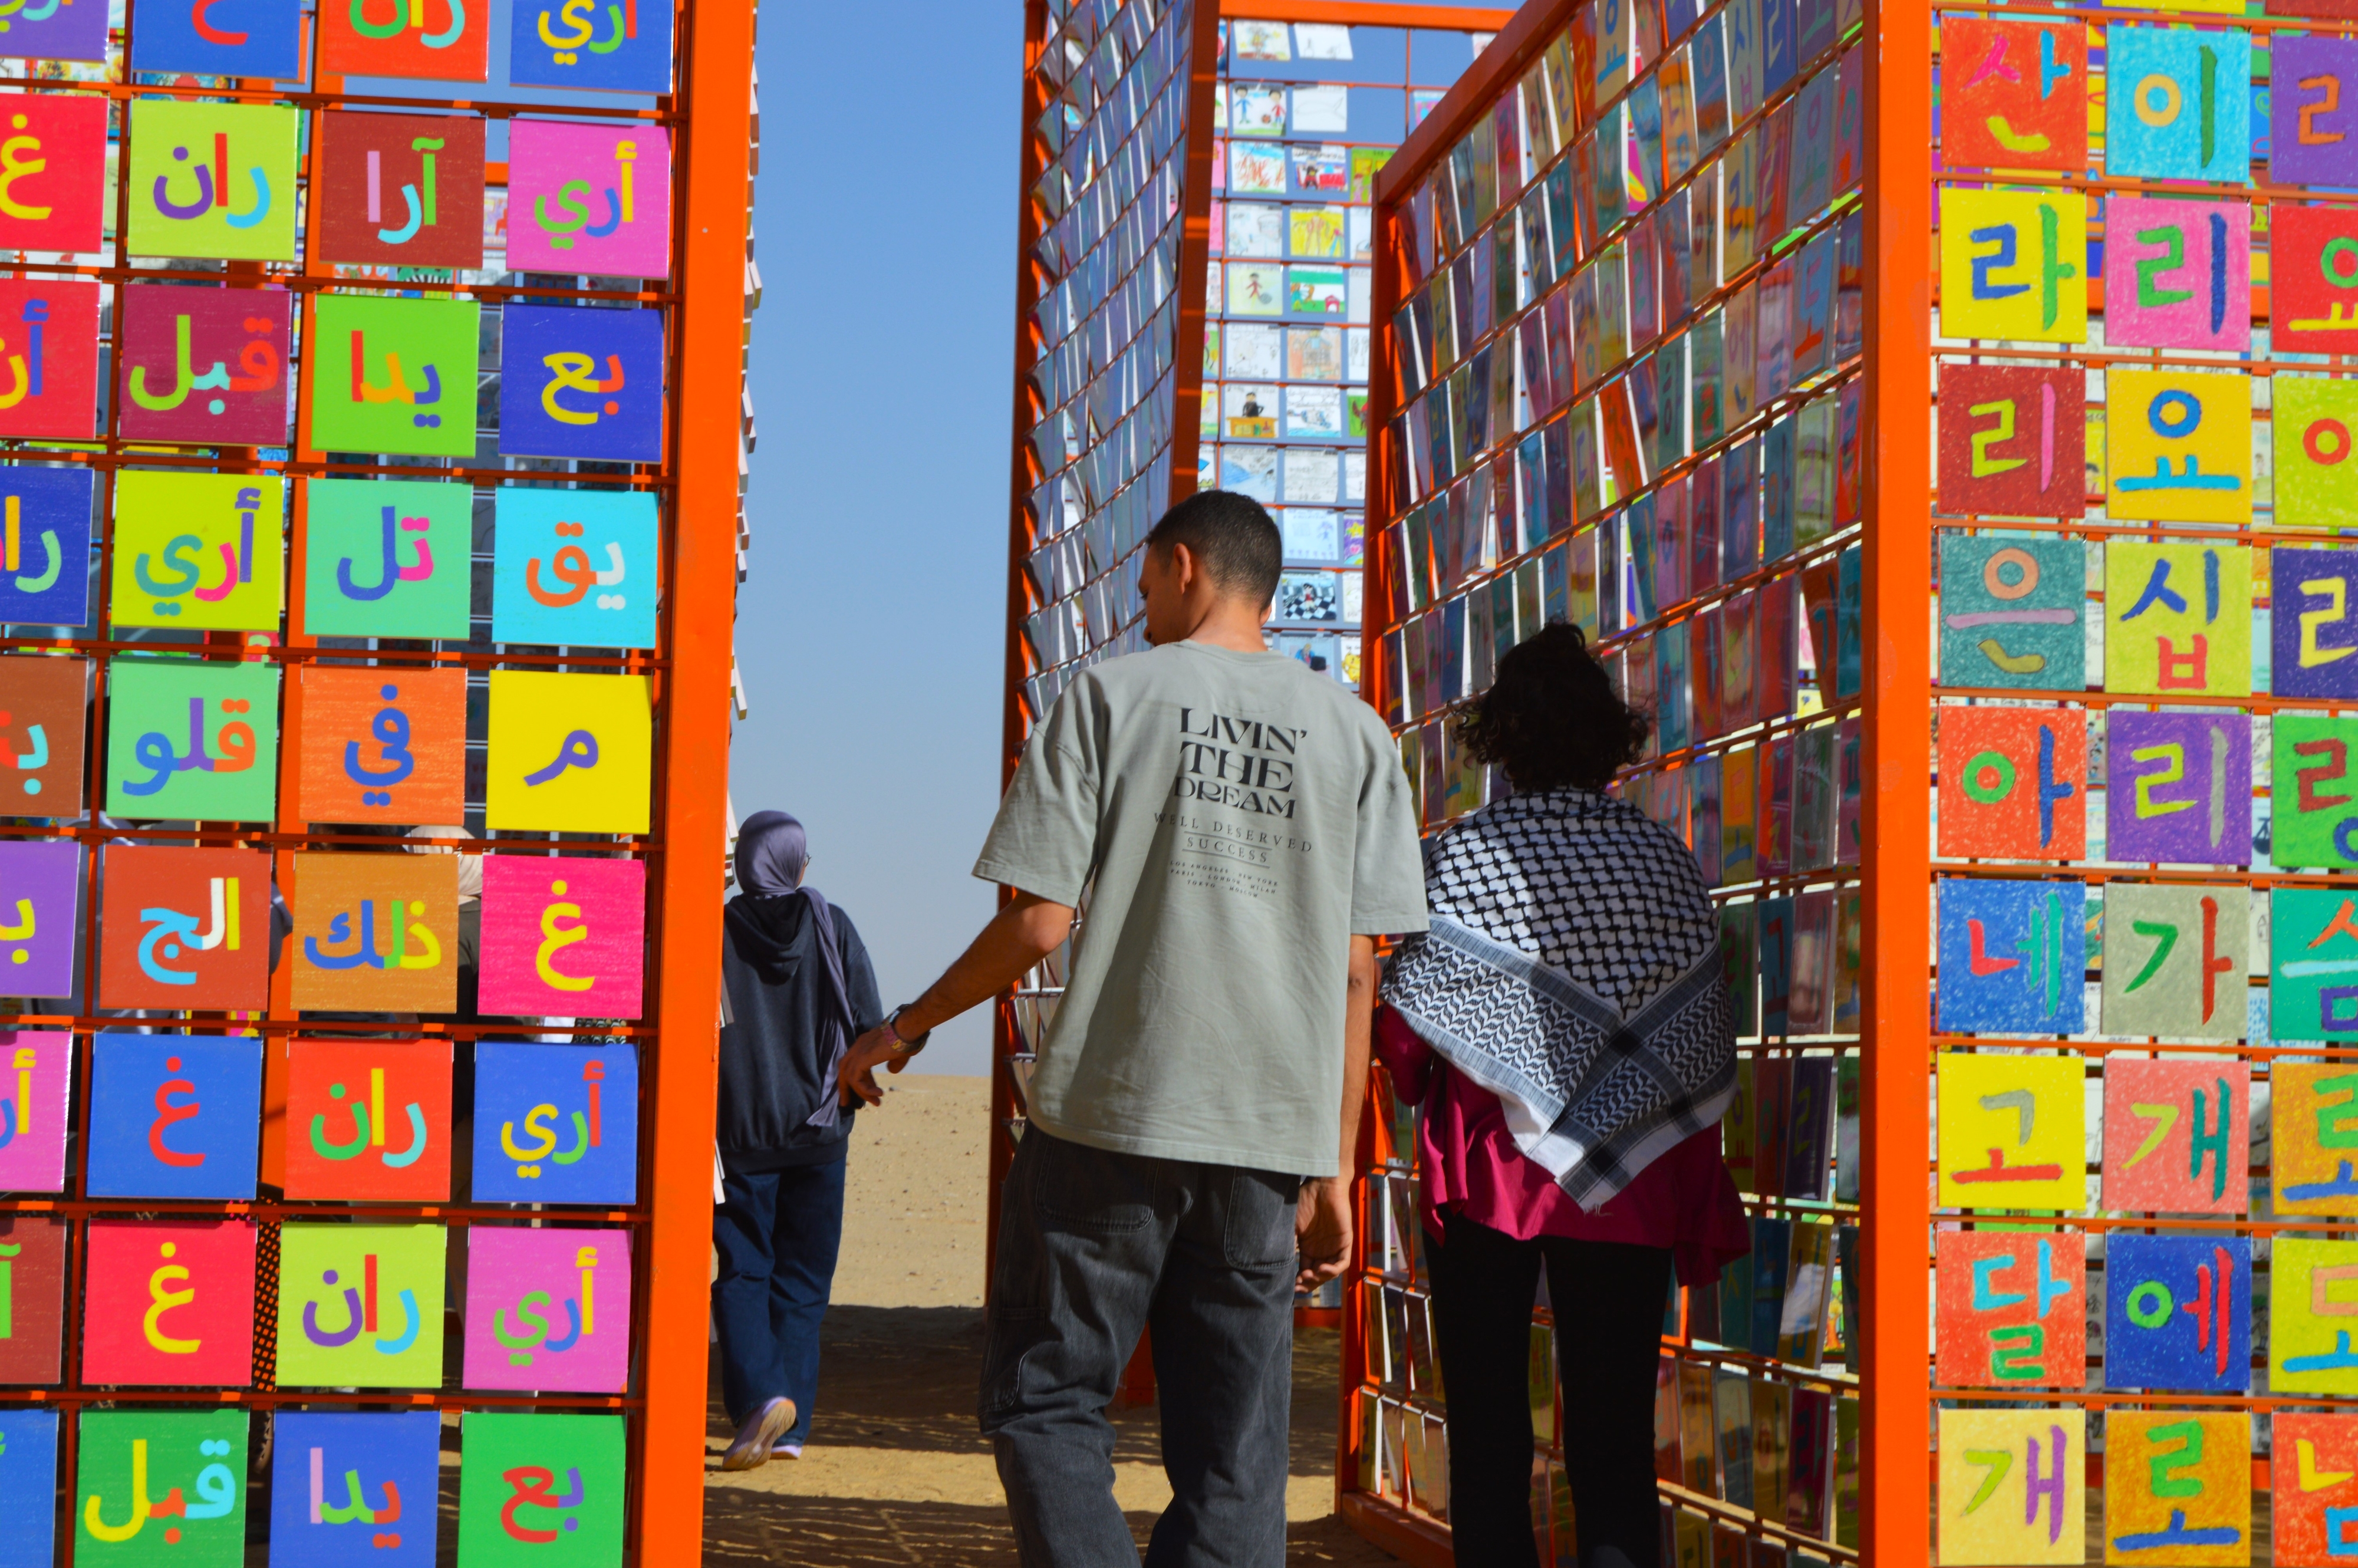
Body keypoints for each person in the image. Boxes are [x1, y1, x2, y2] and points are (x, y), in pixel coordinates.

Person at [835, 489, 1428, 1566]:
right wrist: (1333, 1166)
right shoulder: (1356, 735)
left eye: (1146, 579)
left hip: (1110, 1117)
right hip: (1263, 1136)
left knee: (1048, 1399)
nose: (1141, 601)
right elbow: (1355, 973)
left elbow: (1039, 924)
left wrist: (911, 1025)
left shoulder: (1110, 698)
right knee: (1236, 1450)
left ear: (1187, 566)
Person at [1374, 622, 1749, 1568]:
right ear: (1608, 741)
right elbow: (1701, 1031)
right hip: (1634, 1173)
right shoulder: (1666, 862)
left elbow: (1409, 1031)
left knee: (1491, 1431)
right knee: (1615, 1437)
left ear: (1502, 741)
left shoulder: (1463, 855)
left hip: (1490, 1177)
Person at [712, 811, 884, 1470]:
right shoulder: (831, 925)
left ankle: (762, 1395)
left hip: (742, 1137)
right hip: (820, 1133)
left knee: (744, 1270)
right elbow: (868, 1023)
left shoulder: (716, 929)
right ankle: (788, 1429)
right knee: (804, 1281)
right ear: (795, 863)